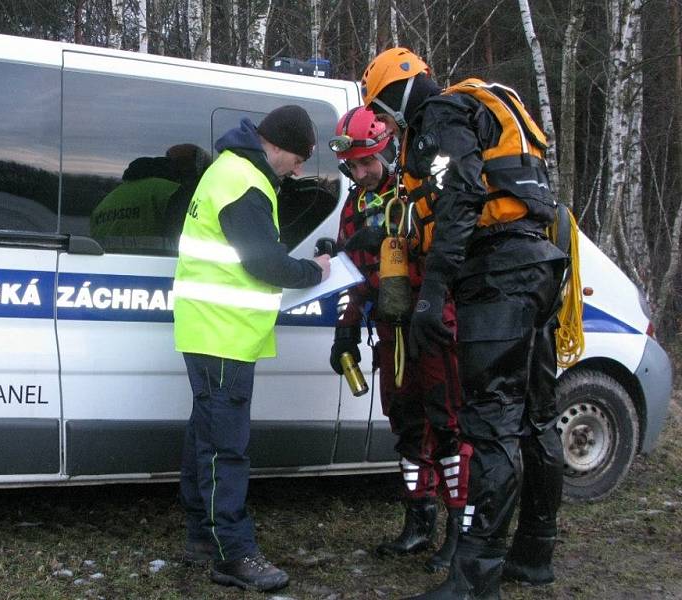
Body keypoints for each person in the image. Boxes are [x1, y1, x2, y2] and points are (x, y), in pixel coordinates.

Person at [360, 48, 567, 599]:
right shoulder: (485, 104)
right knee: (538, 418)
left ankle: (475, 580)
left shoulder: (440, 116)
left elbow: (461, 199)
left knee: (490, 425)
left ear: (398, 93)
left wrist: (432, 291)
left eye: (381, 108)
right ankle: (534, 553)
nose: (384, 121)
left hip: (496, 273)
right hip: (538, 263)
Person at [172, 105, 332, 592]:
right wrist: (316, 272)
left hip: (210, 329)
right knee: (227, 447)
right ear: (280, 146)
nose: (300, 170)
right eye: (301, 158)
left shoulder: (228, 169)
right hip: (224, 334)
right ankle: (234, 553)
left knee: (206, 437)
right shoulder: (245, 181)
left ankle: (203, 536)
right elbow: (264, 263)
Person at [328, 106, 469, 572]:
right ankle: (418, 521)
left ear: (386, 148)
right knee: (406, 425)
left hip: (431, 323)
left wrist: (388, 234)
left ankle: (460, 530)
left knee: (447, 426)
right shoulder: (352, 206)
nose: (363, 171)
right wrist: (346, 330)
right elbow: (353, 276)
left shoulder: (415, 192)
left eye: (369, 161)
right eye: (355, 165)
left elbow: (445, 255)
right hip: (391, 332)